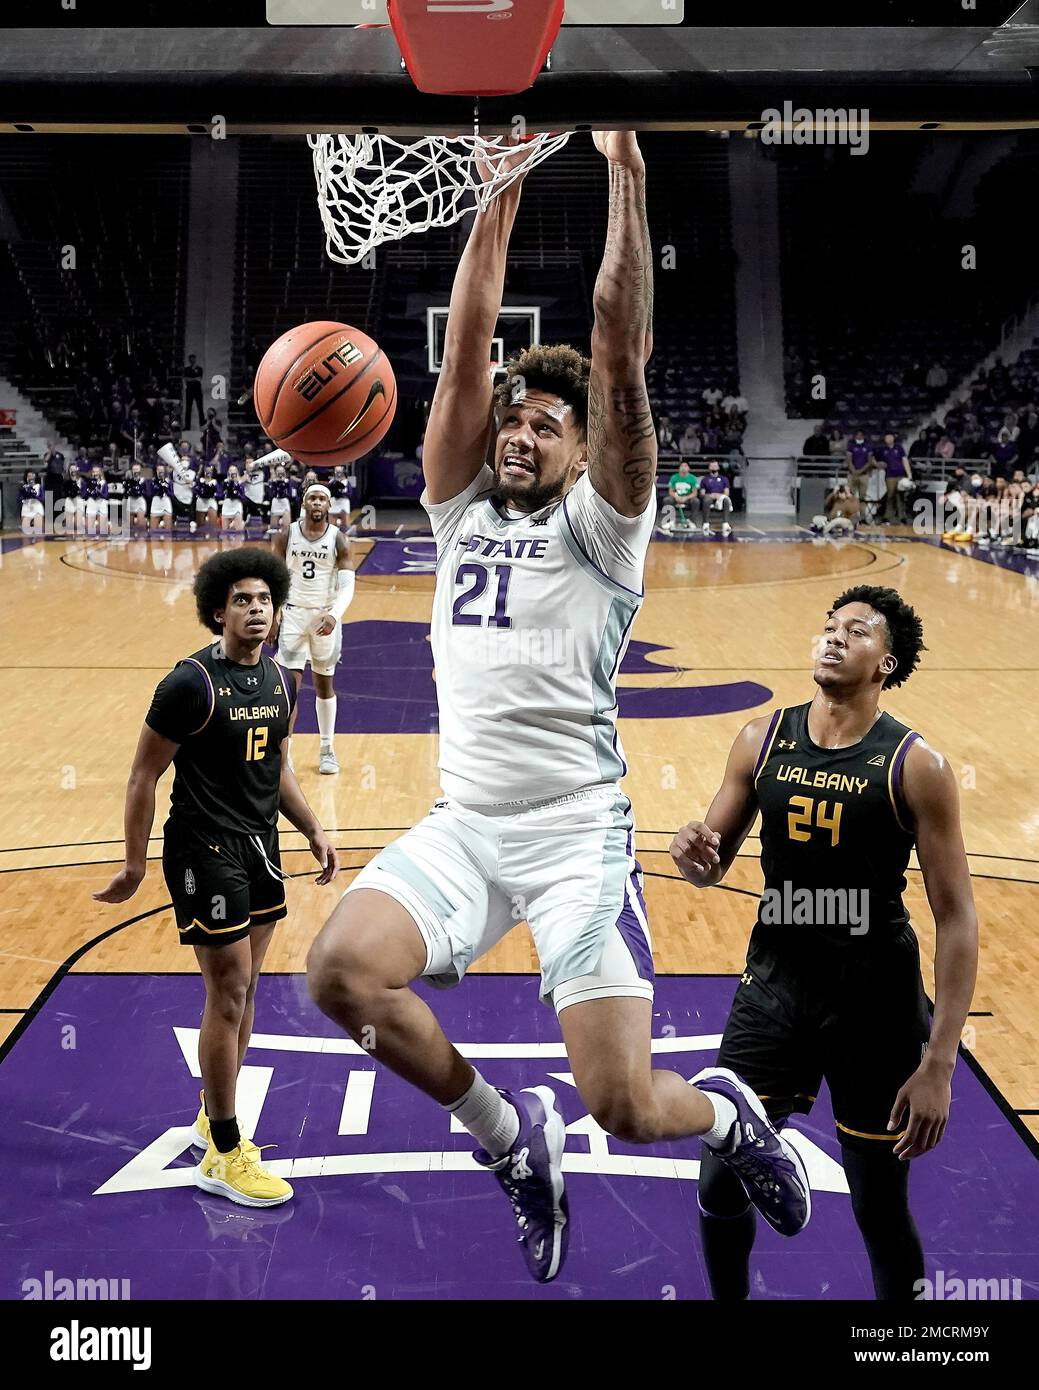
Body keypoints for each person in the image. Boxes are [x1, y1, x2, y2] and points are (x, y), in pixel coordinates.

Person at [305, 130, 810, 1286]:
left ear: (586, 456)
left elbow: (620, 356)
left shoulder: (604, 528)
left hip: (577, 833)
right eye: (512, 418)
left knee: (630, 1106)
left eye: (545, 423)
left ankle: (727, 1118)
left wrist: (624, 173)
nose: (518, 430)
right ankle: (505, 1132)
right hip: (468, 822)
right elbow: (467, 356)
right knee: (340, 972)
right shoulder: (456, 508)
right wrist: (500, 187)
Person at [671, 586, 978, 1301]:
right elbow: (707, 866)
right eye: (828, 626)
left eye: (857, 632)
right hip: (774, 988)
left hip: (874, 1002)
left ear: (885, 663)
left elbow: (957, 917)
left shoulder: (914, 765)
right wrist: (692, 852)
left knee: (877, 1201)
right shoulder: (761, 737)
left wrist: (938, 1062)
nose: (833, 638)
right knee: (721, 1174)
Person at [93, 548, 340, 1207]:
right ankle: (224, 1152)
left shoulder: (283, 683)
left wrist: (312, 827)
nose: (255, 611)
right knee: (228, 990)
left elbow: (278, 768)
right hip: (203, 850)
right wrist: (135, 862)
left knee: (246, 989)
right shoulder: (190, 685)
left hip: (259, 847)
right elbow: (144, 775)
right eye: (242, 601)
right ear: (216, 611)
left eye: (264, 600)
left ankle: (215, 1112)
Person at [271, 484, 354, 776]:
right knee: (288, 690)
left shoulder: (338, 539)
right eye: (312, 498)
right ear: (303, 503)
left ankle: (327, 748)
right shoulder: (287, 535)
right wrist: (273, 616)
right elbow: (274, 578)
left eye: (322, 499)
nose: (317, 503)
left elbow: (347, 586)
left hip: (324, 618)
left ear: (329, 505)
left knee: (324, 685)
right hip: (293, 614)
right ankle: (285, 756)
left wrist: (333, 615)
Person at [877, 433, 912, 523]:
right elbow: (875, 460)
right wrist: (878, 465)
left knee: (900, 496)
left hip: (900, 475)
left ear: (893, 438)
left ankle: (902, 516)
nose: (888, 439)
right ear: (885, 439)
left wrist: (909, 474)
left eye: (890, 437)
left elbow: (905, 460)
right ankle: (887, 516)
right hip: (889, 476)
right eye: (887, 437)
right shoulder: (882, 450)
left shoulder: (899, 448)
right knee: (890, 496)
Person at [699, 459, 733, 535]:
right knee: (706, 500)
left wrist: (719, 495)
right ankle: (705, 523)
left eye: (715, 466)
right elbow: (702, 494)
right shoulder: (705, 479)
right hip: (709, 497)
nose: (714, 467)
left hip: (720, 498)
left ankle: (725, 523)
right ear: (709, 468)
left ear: (718, 467)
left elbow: (727, 492)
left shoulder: (724, 479)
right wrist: (711, 495)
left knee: (726, 500)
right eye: (712, 466)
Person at [666, 459, 699, 530]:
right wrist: (675, 496)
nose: (683, 467)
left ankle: (693, 521)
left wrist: (686, 498)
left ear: (689, 468)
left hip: (688, 498)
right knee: (667, 500)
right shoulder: (674, 477)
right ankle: (670, 521)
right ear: (679, 468)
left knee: (696, 501)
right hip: (676, 497)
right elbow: (670, 491)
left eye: (685, 466)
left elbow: (695, 493)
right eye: (682, 466)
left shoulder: (692, 478)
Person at [846, 429, 874, 503]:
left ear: (863, 436)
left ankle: (862, 514)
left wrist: (860, 471)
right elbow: (849, 460)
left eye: (861, 435)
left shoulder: (868, 446)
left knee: (862, 498)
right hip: (852, 474)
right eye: (858, 435)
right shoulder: (851, 446)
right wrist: (854, 471)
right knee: (850, 496)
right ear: (855, 436)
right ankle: (851, 513)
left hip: (863, 475)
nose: (859, 436)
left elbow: (869, 462)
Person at [220, 464, 248, 535]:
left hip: (237, 505)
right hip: (227, 505)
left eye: (234, 471)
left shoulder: (240, 483)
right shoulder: (225, 482)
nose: (232, 473)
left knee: (238, 531)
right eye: (230, 471)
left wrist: (237, 484)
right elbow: (223, 493)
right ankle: (226, 544)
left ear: (237, 472)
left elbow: (243, 496)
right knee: (225, 531)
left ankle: (238, 544)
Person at [267, 464, 294, 534]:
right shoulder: (272, 482)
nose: (280, 473)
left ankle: (285, 537)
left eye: (282, 471)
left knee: (286, 525)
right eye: (278, 471)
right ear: (276, 472)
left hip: (284, 501)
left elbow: (290, 494)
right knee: (273, 526)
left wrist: (284, 482)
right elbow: (270, 494)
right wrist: (274, 481)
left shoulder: (288, 481)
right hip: (276, 501)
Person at [124, 462, 149, 533]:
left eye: (137, 469)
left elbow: (147, 492)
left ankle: (141, 539)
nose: (136, 471)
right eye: (134, 469)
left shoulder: (143, 480)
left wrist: (140, 491)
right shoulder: (128, 481)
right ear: (132, 470)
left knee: (141, 525)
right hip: (131, 501)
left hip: (140, 500)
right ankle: (131, 540)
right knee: (129, 527)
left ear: (140, 470)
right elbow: (125, 492)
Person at [149, 462, 174, 532]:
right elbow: (149, 493)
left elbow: (172, 494)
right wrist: (157, 487)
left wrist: (165, 488)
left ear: (164, 471)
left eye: (162, 471)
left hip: (166, 503)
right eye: (158, 470)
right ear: (156, 471)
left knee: (168, 531)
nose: (160, 472)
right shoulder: (152, 481)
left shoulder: (169, 482)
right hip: (156, 503)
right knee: (153, 531)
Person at [194, 463, 220, 533]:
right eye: (206, 471)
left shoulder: (214, 482)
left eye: (210, 472)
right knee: (200, 524)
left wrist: (213, 493)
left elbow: (219, 493)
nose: (208, 473)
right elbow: (196, 490)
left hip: (211, 501)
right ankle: (200, 538)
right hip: (201, 501)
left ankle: (212, 539)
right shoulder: (200, 480)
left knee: (212, 524)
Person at [328, 464, 354, 531]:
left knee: (346, 525)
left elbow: (350, 494)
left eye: (340, 471)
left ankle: (345, 537)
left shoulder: (347, 482)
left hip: (344, 503)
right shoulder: (331, 482)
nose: (338, 473)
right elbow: (328, 493)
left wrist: (342, 494)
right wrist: (334, 492)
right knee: (331, 526)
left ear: (343, 472)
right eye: (336, 471)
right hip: (333, 503)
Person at [19, 469, 45, 536]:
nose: (30, 478)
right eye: (29, 476)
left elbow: (42, 498)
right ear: (26, 478)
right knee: (26, 532)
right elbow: (19, 499)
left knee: (38, 532)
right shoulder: (23, 487)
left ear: (35, 477)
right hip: (26, 509)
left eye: (32, 476)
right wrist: (25, 497)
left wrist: (34, 496)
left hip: (37, 508)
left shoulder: (39, 486)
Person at [183, 353, 204, 430]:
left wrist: (190, 379)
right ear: (189, 360)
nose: (192, 360)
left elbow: (199, 378)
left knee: (200, 408)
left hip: (198, 390)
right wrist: (194, 379)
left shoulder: (200, 369)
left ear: (195, 359)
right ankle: (187, 426)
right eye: (190, 358)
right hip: (189, 391)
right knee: (188, 409)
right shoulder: (186, 369)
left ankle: (202, 426)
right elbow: (186, 379)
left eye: (193, 358)